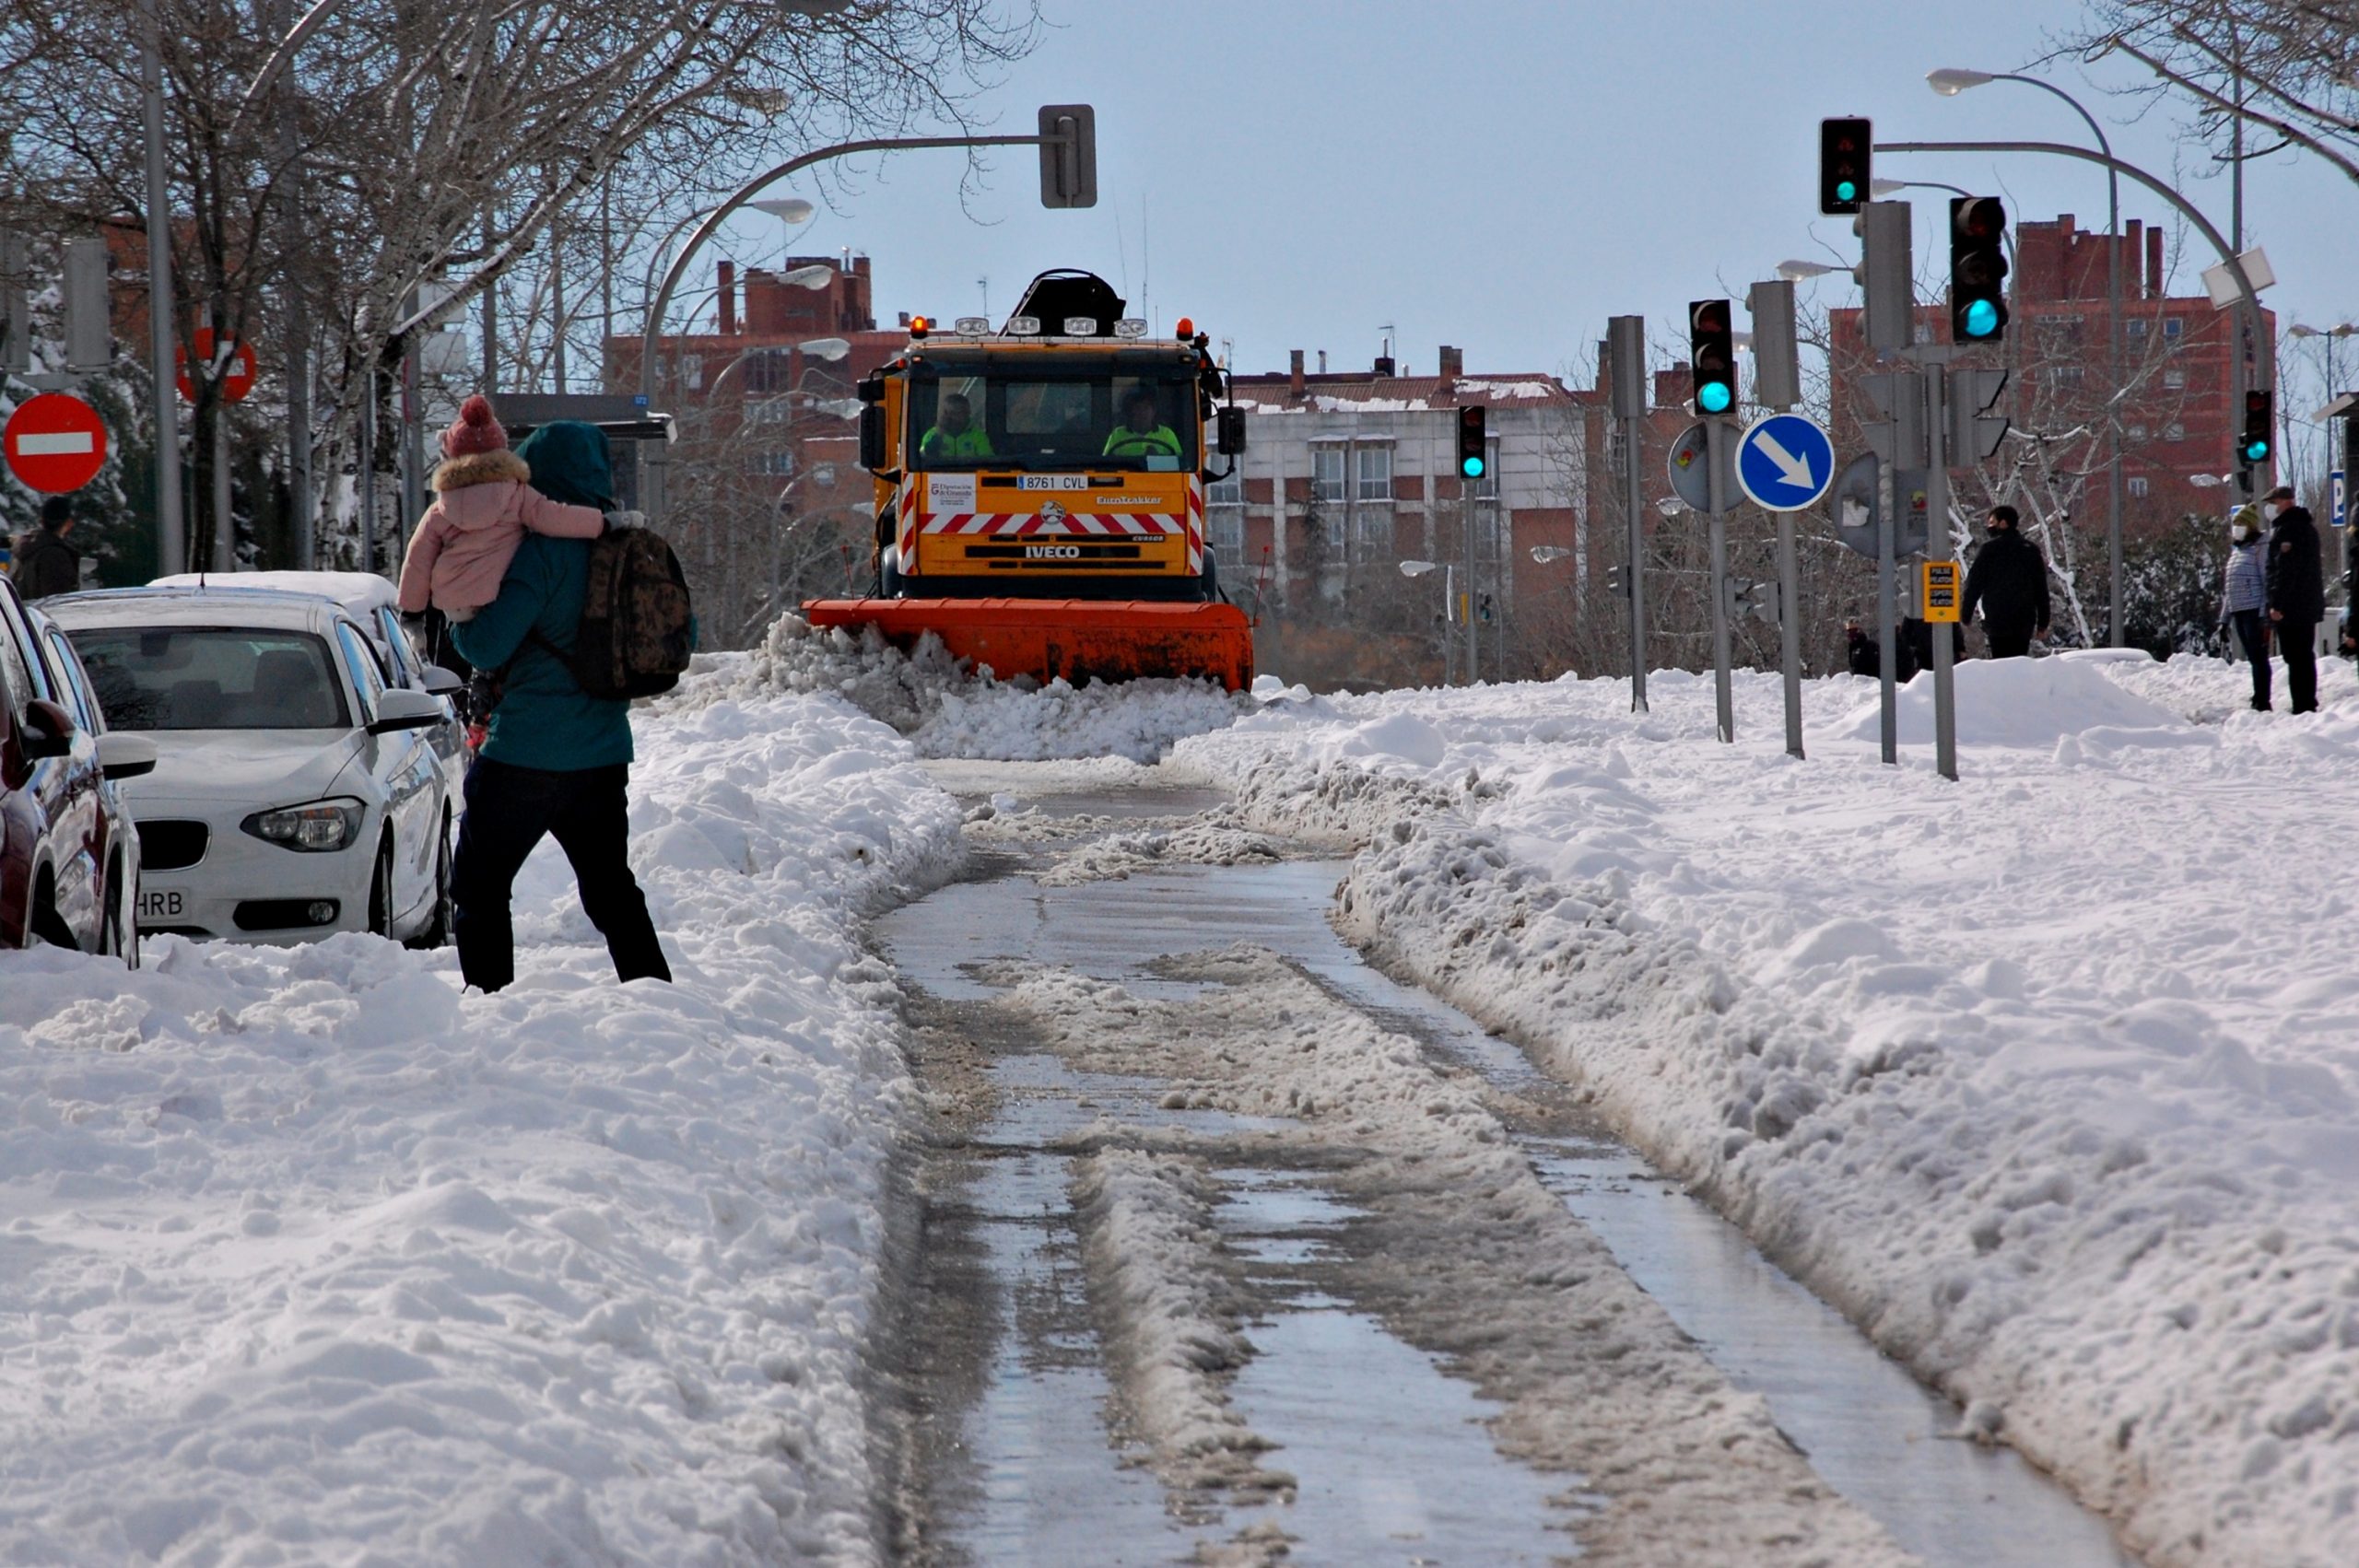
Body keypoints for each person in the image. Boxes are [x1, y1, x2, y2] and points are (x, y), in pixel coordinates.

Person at [446, 418, 671, 994]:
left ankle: (492, 1003)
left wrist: (460, 615)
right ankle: (658, 1001)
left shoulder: (540, 554)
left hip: (524, 755)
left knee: (479, 886)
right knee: (611, 891)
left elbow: (487, 645)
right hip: (601, 757)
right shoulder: (626, 547)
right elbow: (677, 631)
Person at [397, 394, 606, 622]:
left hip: (453, 605)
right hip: (498, 598)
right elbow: (555, 517)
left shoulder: (439, 510)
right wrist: (603, 523)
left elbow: (418, 559)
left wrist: (411, 612)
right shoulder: (516, 494)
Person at [2262, 482, 2326, 714]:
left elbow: (2285, 570)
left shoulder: (2289, 530)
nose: (2270, 508)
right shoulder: (2305, 527)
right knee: (2302, 655)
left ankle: (2303, 704)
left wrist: (2277, 604)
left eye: (2273, 503)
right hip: (2305, 604)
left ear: (2286, 502)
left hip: (2293, 606)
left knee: (2296, 656)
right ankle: (2305, 701)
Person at [1959, 504, 2050, 658]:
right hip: (2024, 619)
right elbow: (2041, 589)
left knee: (2000, 661)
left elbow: (1975, 583)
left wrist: (1966, 613)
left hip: (1997, 617)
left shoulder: (1990, 549)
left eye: (1992, 522)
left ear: (2003, 523)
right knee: (2019, 660)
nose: (1989, 526)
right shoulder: (2031, 550)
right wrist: (2043, 623)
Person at [2219, 503, 2272, 711]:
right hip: (2238, 611)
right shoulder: (2238, 551)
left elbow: (2266, 581)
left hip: (2253, 611)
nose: (2237, 528)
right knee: (2252, 656)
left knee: (2259, 657)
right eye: (2235, 525)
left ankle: (2263, 699)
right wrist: (2224, 620)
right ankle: (2257, 694)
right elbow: (2229, 588)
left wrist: (2262, 614)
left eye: (2241, 524)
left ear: (2250, 527)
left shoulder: (2260, 549)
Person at [17, 497, 83, 601]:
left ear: (41, 521)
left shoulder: (27, 550)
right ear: (69, 523)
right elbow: (58, 601)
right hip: (45, 615)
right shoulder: (55, 555)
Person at [1102, 387, 1180, 460]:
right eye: (1138, 408)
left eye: (1146, 407)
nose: (1142, 413)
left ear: (1154, 411)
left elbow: (1180, 464)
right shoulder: (1117, 435)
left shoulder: (1167, 434)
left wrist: (1158, 458)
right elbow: (1105, 464)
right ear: (1130, 412)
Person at [918, 392, 992, 462]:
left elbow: (987, 460)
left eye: (961, 412)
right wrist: (939, 434)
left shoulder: (977, 434)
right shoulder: (932, 434)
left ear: (968, 412)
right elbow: (922, 457)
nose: (958, 417)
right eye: (952, 413)